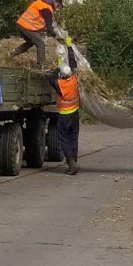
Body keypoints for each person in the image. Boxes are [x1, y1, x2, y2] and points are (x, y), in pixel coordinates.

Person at [48, 39, 80, 174]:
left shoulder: (59, 84)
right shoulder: (74, 80)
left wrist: (58, 64)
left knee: (64, 139)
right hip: (75, 114)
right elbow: (73, 63)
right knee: (74, 137)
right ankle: (74, 161)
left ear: (61, 75)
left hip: (64, 115)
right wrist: (69, 46)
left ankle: (71, 162)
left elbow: (50, 76)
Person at [12, 0, 65, 66]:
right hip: (27, 26)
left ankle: (12, 54)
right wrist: (57, 37)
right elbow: (49, 28)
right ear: (55, 2)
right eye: (58, 5)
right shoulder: (47, 9)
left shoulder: (42, 2)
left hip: (21, 24)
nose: (58, 8)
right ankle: (41, 66)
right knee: (40, 43)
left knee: (31, 42)